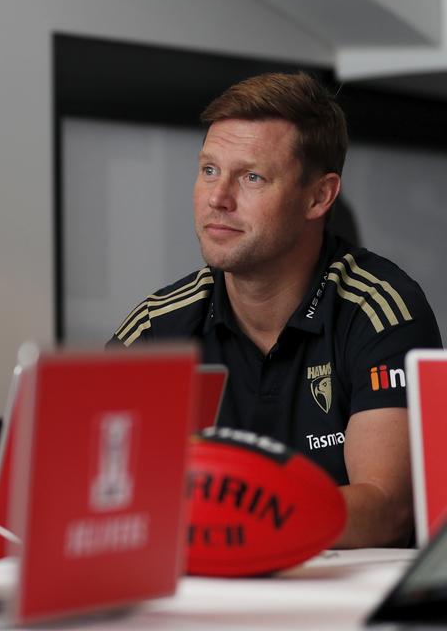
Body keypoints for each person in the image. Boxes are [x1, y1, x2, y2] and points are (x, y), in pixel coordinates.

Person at [110, 72, 440, 548]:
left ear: (319, 196)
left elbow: (386, 510)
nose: (218, 198)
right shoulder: (156, 327)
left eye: (252, 177)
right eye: (208, 170)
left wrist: (224, 516)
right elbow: (90, 491)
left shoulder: (381, 309)